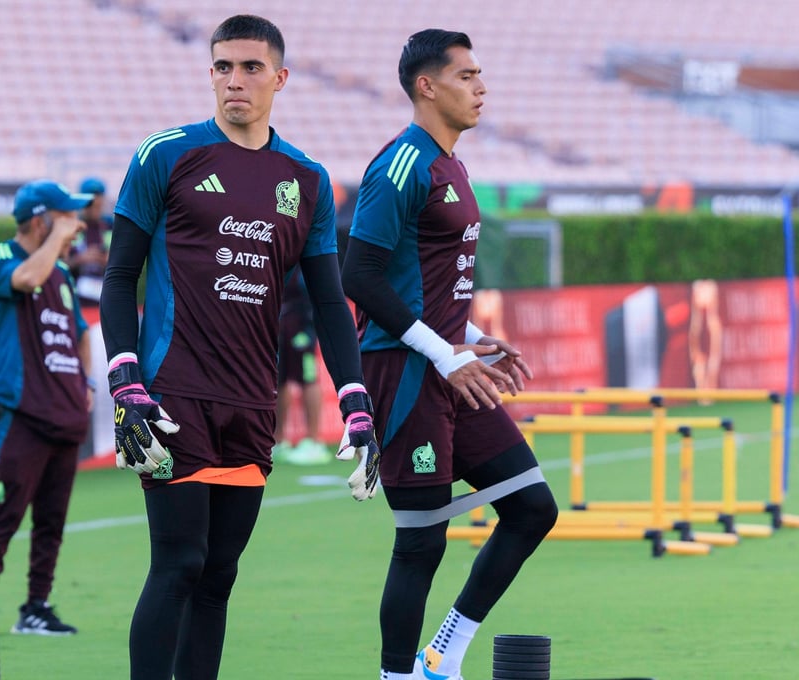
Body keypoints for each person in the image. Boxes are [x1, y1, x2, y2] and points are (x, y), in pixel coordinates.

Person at [100, 15, 380, 680]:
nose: (235, 80)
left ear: (279, 78)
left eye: (251, 67)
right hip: (173, 396)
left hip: (252, 403)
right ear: (210, 74)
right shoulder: (164, 155)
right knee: (179, 563)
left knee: (218, 575)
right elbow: (118, 276)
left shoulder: (306, 178)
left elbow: (330, 302)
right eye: (223, 66)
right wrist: (125, 381)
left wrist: (356, 400)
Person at [340, 30, 558, 680]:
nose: (481, 87)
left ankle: (441, 657)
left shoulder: (452, 166)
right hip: (404, 373)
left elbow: (429, 285)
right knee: (421, 541)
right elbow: (360, 276)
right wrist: (444, 354)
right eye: (467, 76)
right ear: (427, 86)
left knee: (532, 508)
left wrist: (473, 341)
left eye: (480, 74)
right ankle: (396, 676)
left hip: (449, 365)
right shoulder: (401, 165)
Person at [0, 179, 92, 636]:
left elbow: (81, 332)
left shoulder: (60, 273)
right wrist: (57, 239)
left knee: (52, 522)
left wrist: (86, 383)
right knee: (4, 514)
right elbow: (25, 279)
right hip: (22, 411)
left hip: (65, 414)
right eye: (67, 217)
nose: (77, 226)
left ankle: (36, 608)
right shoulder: (1, 257)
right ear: (41, 221)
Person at [272, 270, 332, 465]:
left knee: (308, 378)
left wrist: (309, 324)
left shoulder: (303, 263)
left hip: (303, 324)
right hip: (280, 322)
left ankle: (314, 442)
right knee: (278, 378)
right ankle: (279, 440)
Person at [65, 176, 111, 306]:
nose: (94, 209)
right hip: (76, 297)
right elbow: (57, 265)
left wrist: (110, 261)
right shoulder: (71, 226)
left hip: (106, 297)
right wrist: (80, 259)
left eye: (98, 205)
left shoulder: (111, 225)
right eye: (89, 206)